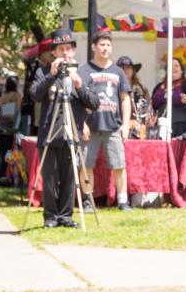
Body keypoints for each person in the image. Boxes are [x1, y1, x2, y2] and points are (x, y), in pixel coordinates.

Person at [31, 28, 96, 228]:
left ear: (74, 51)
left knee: (70, 178)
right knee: (50, 178)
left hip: (71, 133)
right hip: (49, 132)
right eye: (61, 49)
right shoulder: (43, 71)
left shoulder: (82, 72)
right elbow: (34, 94)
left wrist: (80, 86)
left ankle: (66, 216)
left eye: (69, 48)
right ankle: (51, 216)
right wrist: (51, 75)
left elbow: (94, 103)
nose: (65, 53)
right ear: (54, 52)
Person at [78, 33, 132, 212]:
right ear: (94, 47)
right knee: (86, 165)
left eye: (108, 45)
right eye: (102, 44)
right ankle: (87, 201)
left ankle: (123, 201)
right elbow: (76, 100)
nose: (105, 48)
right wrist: (82, 123)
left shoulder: (118, 72)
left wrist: (125, 125)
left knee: (119, 165)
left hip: (113, 127)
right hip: (90, 127)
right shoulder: (84, 71)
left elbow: (125, 99)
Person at [151, 58, 186, 137]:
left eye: (176, 66)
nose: (173, 68)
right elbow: (151, 106)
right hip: (160, 128)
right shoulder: (158, 87)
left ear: (181, 71)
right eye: (170, 66)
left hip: (182, 127)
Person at [117, 56, 150, 139]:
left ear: (133, 70)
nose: (125, 70)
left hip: (138, 128)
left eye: (128, 67)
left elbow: (147, 108)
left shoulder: (141, 88)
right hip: (118, 127)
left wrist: (143, 121)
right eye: (122, 68)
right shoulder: (113, 87)